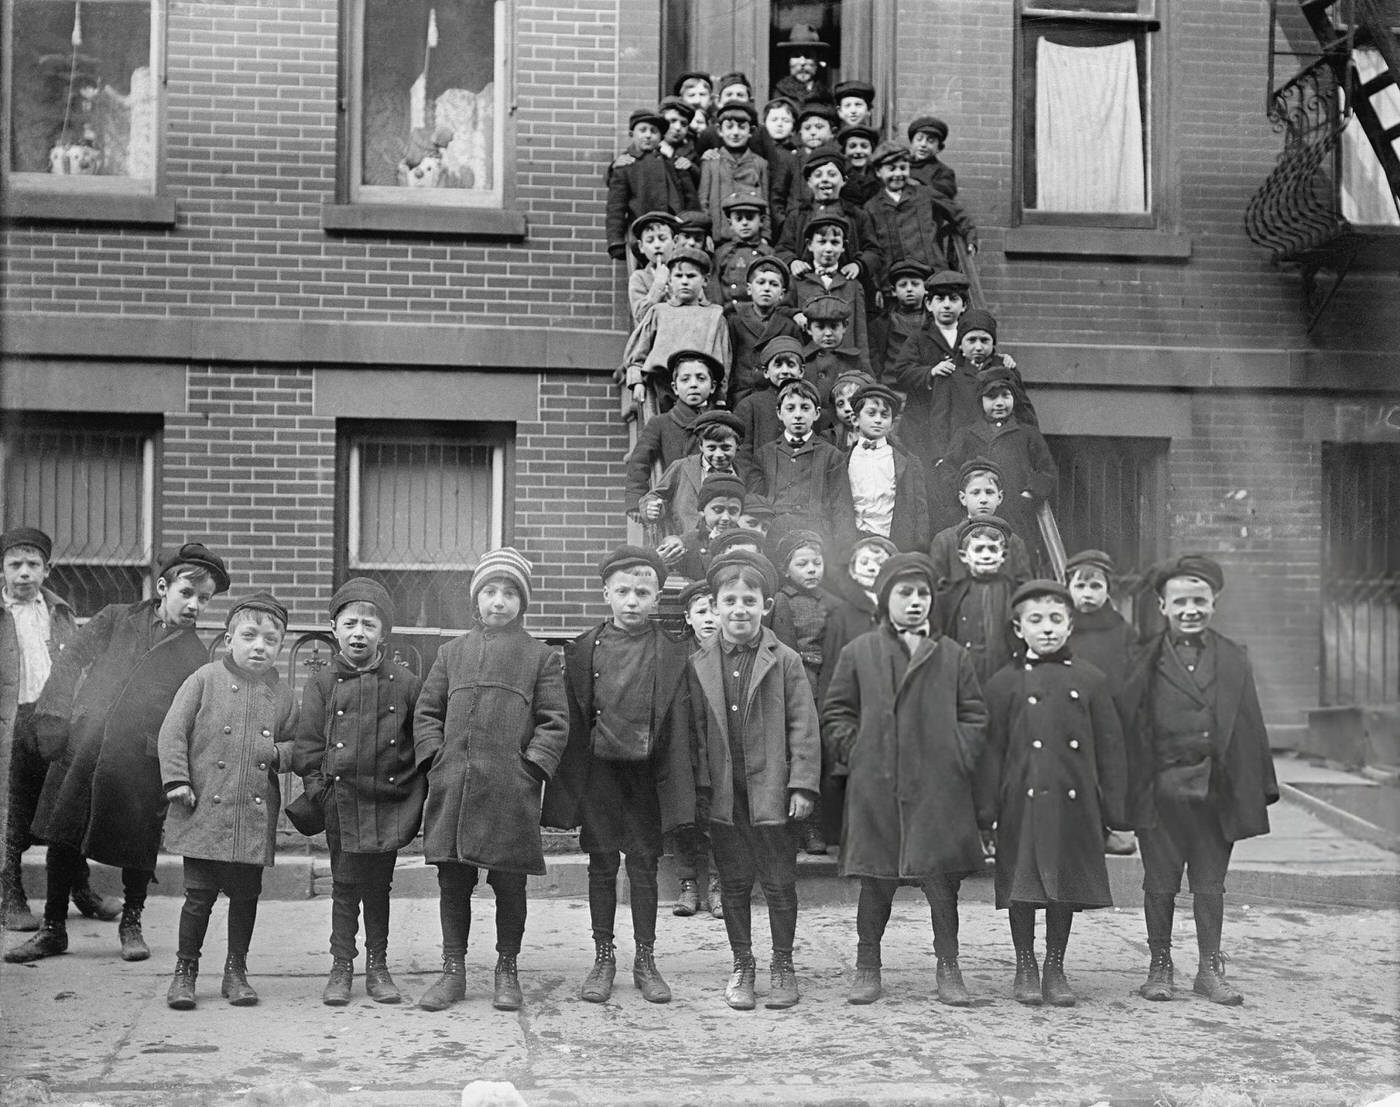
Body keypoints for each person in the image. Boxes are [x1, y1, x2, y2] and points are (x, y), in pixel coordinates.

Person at [7, 542, 229, 966]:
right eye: (187, 593)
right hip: (84, 744)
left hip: (139, 761)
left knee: (137, 843)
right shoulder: (116, 619)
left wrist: (177, 772)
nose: (194, 605)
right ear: (163, 587)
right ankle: (53, 928)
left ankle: (132, 922)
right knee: (63, 834)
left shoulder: (193, 656)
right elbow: (70, 660)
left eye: (205, 599)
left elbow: (188, 721)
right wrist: (55, 715)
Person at [821, 552, 988, 1006]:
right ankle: (867, 966)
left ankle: (948, 967)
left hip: (938, 790)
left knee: (941, 884)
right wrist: (858, 752)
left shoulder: (952, 655)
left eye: (922, 594)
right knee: (876, 882)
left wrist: (956, 756)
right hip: (877, 787)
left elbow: (974, 715)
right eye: (904, 594)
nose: (915, 602)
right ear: (885, 599)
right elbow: (836, 711)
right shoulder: (860, 652)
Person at [413, 548, 568, 1013]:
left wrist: (531, 768)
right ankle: (453, 970)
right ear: (475, 598)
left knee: (510, 885)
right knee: (453, 882)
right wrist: (436, 759)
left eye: (508, 593)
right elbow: (427, 712)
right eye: (489, 592)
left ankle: (507, 969)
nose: (498, 602)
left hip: (509, 789)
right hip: (455, 786)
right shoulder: (450, 653)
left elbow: (554, 721)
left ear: (523, 601)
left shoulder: (540, 657)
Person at [1119, 556, 1279, 1006]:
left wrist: (1257, 788)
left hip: (1216, 791)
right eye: (1180, 601)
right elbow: (1128, 727)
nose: (1191, 609)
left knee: (1210, 883)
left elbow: (1249, 723)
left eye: (1200, 600)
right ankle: (1160, 967)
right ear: (1162, 605)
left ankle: (1209, 969)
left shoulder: (1233, 658)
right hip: (1161, 792)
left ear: (1214, 603)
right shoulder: (1144, 658)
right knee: (1160, 883)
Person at [542, 547, 696, 1005]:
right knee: (602, 864)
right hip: (600, 775)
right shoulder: (582, 649)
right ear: (606, 592)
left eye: (643, 592)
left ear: (657, 597)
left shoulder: (674, 651)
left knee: (645, 866)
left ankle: (646, 958)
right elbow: (570, 720)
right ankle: (604, 956)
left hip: (648, 776)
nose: (632, 601)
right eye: (623, 591)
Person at [977, 580, 1130, 1007]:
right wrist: (986, 812)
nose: (1047, 629)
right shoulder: (1003, 683)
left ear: (1070, 625)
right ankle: (1025, 964)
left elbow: (1111, 749)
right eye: (1036, 620)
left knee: (1064, 886)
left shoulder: (1091, 680)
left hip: (1074, 802)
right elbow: (990, 752)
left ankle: (1055, 965)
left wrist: (1116, 813)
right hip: (1020, 803)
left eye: (1056, 620)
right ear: (1018, 627)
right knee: (1023, 886)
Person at [686, 549, 820, 1010]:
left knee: (781, 882)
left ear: (765, 605)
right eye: (730, 600)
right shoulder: (700, 662)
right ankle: (743, 963)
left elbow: (804, 726)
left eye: (750, 599)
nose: (740, 609)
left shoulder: (785, 661)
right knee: (735, 881)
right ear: (714, 606)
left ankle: (783, 963)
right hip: (725, 794)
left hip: (773, 794)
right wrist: (699, 789)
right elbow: (696, 733)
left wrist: (801, 784)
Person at [157, 592, 296, 1010]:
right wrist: (177, 780)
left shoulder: (283, 694)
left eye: (270, 641)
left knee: (245, 897)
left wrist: (279, 754)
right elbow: (172, 731)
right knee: (198, 897)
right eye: (250, 636)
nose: (259, 647)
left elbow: (300, 744)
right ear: (229, 638)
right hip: (204, 810)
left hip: (251, 815)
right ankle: (185, 971)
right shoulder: (204, 679)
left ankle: (236, 971)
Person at [291, 578, 425, 1007]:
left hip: (387, 801)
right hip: (342, 802)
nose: (359, 633)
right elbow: (308, 747)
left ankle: (379, 967)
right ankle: (341, 967)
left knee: (378, 887)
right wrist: (319, 793)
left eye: (369, 625)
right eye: (350, 624)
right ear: (334, 628)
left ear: (383, 633)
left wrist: (409, 793)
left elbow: (418, 743)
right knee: (345, 887)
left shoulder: (405, 683)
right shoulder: (323, 684)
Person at [0, 527, 113, 933]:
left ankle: (80, 890)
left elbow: (75, 668)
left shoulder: (59, 612)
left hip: (53, 719)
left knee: (65, 806)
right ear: (2, 571)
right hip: (9, 724)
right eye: (15, 565)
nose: (24, 573)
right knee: (12, 813)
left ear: (48, 570)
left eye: (33, 565)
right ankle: (9, 895)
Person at [1063, 549, 1141, 856]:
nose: (1087, 594)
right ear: (1067, 587)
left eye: (1096, 586)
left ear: (1108, 589)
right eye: (1080, 586)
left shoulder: (1122, 631)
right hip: (1070, 715)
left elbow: (1134, 674)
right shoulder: (1061, 628)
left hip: (1110, 716)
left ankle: (1109, 827)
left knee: (1108, 772)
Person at [941, 365, 1057, 553]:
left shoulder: (1027, 434)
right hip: (976, 513)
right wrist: (968, 497)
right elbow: (949, 470)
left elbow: (1047, 471)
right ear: (981, 400)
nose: (1000, 403)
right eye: (992, 397)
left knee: (1016, 553)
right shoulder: (965, 434)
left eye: (1005, 395)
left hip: (1016, 512)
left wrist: (1029, 494)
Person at [618, 247, 730, 419]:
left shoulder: (714, 316)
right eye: (678, 276)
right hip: (662, 386)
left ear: (705, 280)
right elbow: (638, 351)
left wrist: (721, 395)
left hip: (700, 388)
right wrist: (636, 381)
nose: (684, 281)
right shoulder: (659, 312)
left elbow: (724, 358)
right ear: (669, 280)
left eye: (691, 276)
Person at [750, 378, 855, 550]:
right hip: (774, 538)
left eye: (805, 408)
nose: (798, 415)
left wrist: (842, 552)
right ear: (779, 413)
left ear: (817, 413)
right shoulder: (764, 454)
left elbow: (841, 509)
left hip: (817, 538)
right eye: (790, 408)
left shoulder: (831, 455)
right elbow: (755, 503)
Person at [670, 580, 721, 920]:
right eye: (701, 612)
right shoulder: (678, 657)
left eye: (716, 611)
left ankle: (719, 883)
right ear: (688, 618)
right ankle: (688, 882)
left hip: (721, 755)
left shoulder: (732, 655)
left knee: (721, 819)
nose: (710, 619)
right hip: (686, 752)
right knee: (685, 818)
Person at [623, 349, 722, 518]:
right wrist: (636, 502)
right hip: (677, 507)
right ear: (675, 388)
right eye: (685, 379)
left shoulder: (723, 422)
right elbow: (639, 462)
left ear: (712, 386)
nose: (693, 384)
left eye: (701, 378)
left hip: (719, 504)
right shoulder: (661, 423)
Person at [863, 141, 976, 283]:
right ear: (878, 172)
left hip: (932, 275)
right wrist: (879, 286)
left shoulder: (924, 194)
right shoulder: (872, 207)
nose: (898, 174)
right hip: (895, 283)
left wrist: (970, 238)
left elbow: (957, 213)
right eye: (891, 169)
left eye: (903, 168)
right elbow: (873, 248)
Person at [931, 517, 1022, 688]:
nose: (986, 555)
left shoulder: (1016, 593)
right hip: (964, 676)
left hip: (1007, 676)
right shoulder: (950, 595)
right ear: (964, 556)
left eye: (992, 549)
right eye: (979, 549)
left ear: (1003, 556)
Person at [845, 382, 929, 552]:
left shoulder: (907, 461)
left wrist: (919, 547)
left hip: (893, 540)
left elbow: (920, 509)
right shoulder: (842, 459)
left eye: (884, 415)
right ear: (855, 419)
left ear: (891, 424)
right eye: (871, 413)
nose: (878, 420)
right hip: (853, 541)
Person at [606, 108, 698, 262]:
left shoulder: (672, 164)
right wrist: (615, 241)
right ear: (632, 134)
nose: (648, 135)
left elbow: (690, 200)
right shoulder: (625, 165)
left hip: (671, 236)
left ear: (661, 137)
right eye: (642, 130)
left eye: (653, 131)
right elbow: (616, 208)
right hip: (641, 237)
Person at [640, 410, 745, 540]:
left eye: (726, 448)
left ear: (738, 445)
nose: (718, 455)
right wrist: (651, 508)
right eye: (711, 448)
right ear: (701, 446)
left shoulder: (744, 474)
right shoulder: (682, 467)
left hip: (727, 544)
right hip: (685, 543)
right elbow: (655, 495)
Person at [928, 459, 1033, 584]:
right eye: (975, 493)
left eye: (989, 492)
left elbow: (1023, 586)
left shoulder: (1013, 542)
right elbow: (937, 587)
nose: (983, 500)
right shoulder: (945, 540)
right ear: (963, 498)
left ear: (999, 498)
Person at [790, 214, 871, 364]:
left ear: (843, 247)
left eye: (834, 242)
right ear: (809, 245)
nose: (828, 249)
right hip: (808, 363)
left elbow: (861, 334)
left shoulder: (852, 285)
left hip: (845, 363)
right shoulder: (798, 282)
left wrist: (865, 372)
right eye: (821, 242)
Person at [725, 256, 803, 408]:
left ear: (782, 293)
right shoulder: (735, 320)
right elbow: (729, 361)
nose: (766, 288)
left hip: (778, 395)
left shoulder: (788, 325)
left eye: (774, 284)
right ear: (749, 288)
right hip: (742, 395)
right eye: (761, 282)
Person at [699, 104, 770, 244]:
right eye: (729, 127)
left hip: (753, 239)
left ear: (751, 131)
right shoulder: (711, 163)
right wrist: (706, 234)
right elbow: (703, 202)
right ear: (720, 130)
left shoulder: (760, 164)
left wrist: (766, 235)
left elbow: (765, 202)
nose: (735, 132)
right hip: (719, 238)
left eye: (742, 127)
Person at [658, 474, 746, 580]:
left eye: (733, 511)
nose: (726, 518)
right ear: (702, 511)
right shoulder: (686, 544)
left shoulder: (749, 545)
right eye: (718, 510)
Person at [713, 190, 777, 307]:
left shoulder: (768, 253)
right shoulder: (722, 253)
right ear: (730, 223)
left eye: (749, 218)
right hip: (728, 314)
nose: (744, 223)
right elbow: (714, 288)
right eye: (739, 219)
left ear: (761, 221)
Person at [868, 259, 930, 380]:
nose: (909, 289)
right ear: (893, 291)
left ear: (926, 288)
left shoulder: (935, 321)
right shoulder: (881, 324)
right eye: (903, 285)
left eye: (915, 284)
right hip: (893, 386)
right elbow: (876, 362)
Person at [626, 210, 680, 324]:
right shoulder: (639, 278)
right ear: (641, 246)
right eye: (650, 241)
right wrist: (658, 285)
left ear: (675, 242)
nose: (657, 245)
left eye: (662, 239)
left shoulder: (684, 272)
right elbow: (641, 316)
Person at [772, 23, 833, 106]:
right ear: (789, 62)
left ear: (816, 61)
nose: (802, 62)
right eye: (796, 56)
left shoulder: (826, 93)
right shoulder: (780, 92)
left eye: (808, 56)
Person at [906, 115, 958, 200]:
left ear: (939, 148)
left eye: (930, 141)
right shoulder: (900, 165)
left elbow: (943, 196)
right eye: (919, 139)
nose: (923, 144)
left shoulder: (944, 172)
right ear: (911, 143)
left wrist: (915, 186)